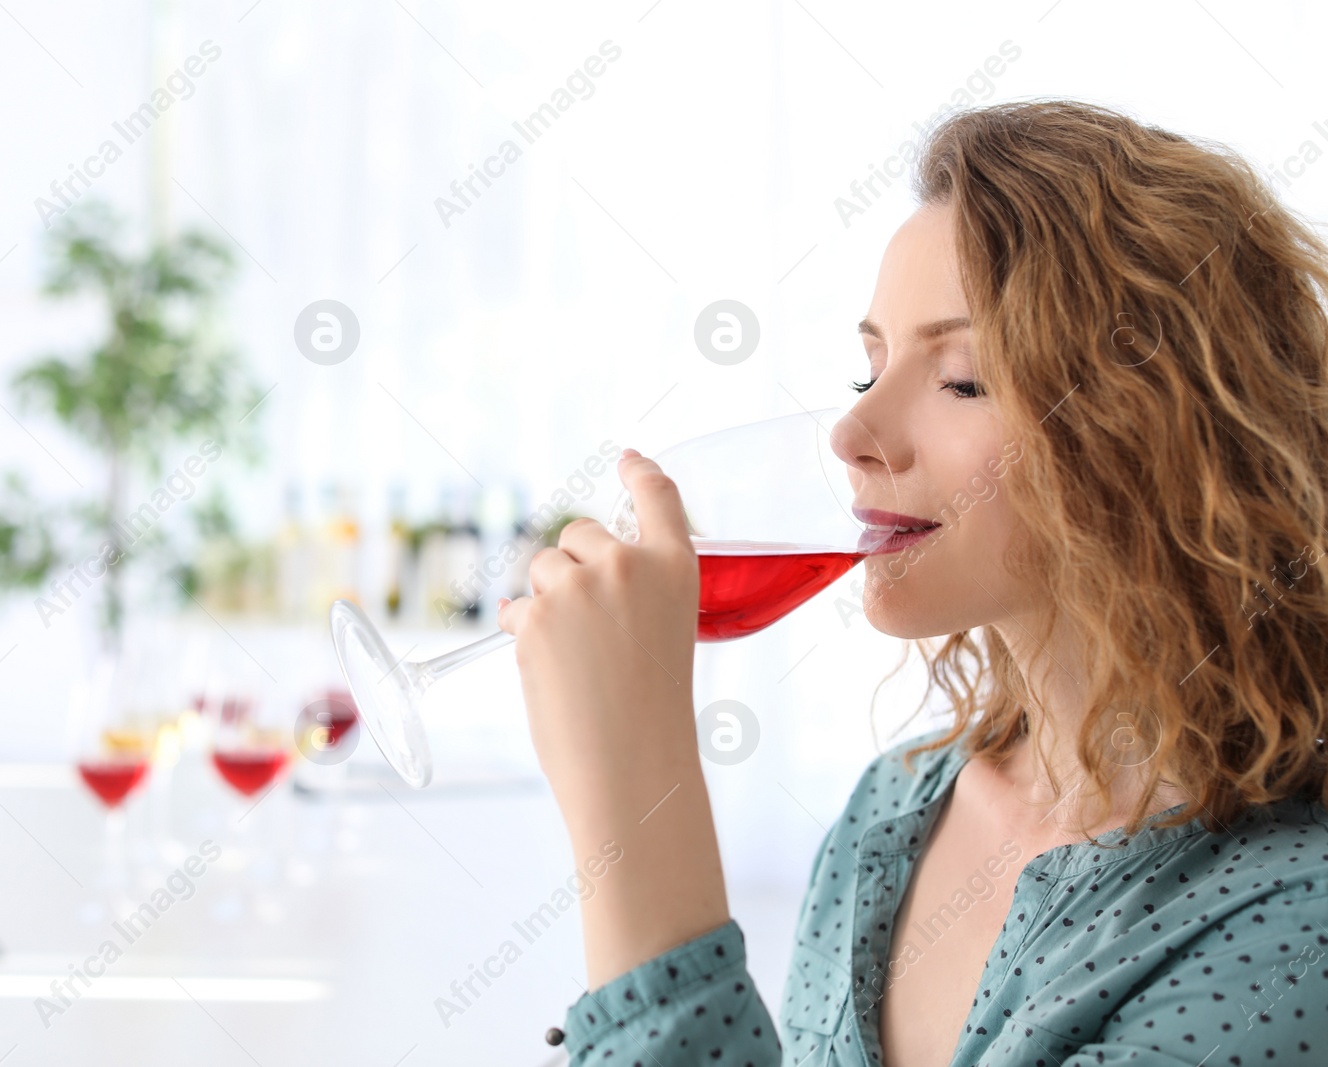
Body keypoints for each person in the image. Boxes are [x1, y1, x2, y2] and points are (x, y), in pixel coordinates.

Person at [496, 99, 1328, 1066]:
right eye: (869, 371)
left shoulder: (1292, 923)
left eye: (964, 378)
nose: (852, 437)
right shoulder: (893, 809)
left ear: (1161, 433)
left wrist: (634, 790)